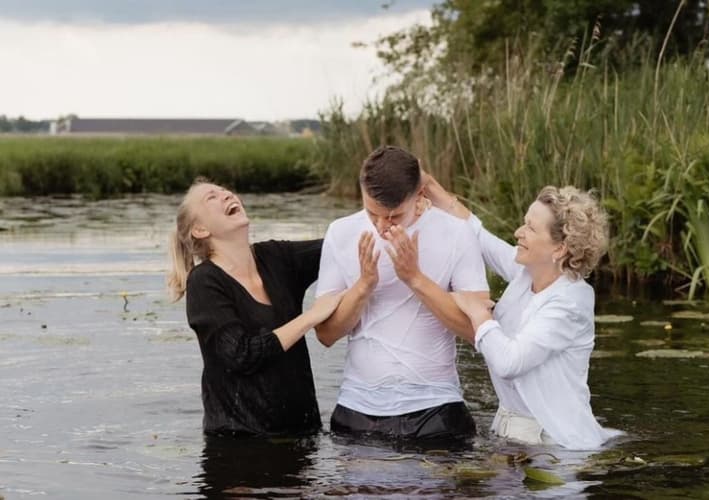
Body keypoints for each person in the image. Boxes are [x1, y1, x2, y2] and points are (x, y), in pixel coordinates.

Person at [423, 173, 622, 449]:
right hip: (512, 436)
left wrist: (477, 312)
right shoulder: (528, 272)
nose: (519, 232)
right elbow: (479, 237)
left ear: (560, 248)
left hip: (556, 448)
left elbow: (510, 363)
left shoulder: (571, 302)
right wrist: (433, 189)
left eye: (530, 228)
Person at [314, 146, 490, 441]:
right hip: (357, 411)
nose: (382, 226)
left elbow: (478, 333)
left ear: (419, 194)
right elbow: (326, 335)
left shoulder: (457, 234)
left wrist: (415, 278)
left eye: (394, 217)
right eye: (373, 213)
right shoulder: (340, 233)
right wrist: (363, 286)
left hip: (437, 411)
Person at [167, 178, 343, 436]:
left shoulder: (276, 257)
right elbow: (241, 354)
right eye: (211, 197)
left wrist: (404, 208)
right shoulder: (204, 281)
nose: (226, 194)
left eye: (224, 190)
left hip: (303, 435)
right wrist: (312, 317)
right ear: (200, 230)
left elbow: (339, 246)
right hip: (239, 445)